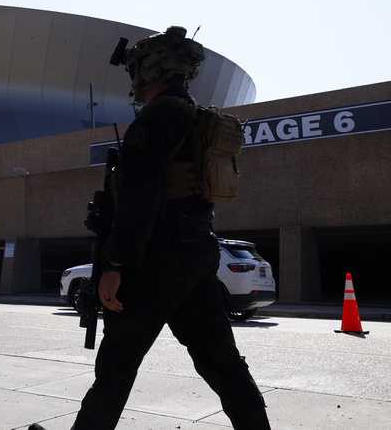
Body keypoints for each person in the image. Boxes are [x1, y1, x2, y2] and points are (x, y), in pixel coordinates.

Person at [33, 27, 269, 430]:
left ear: (153, 72)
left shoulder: (159, 117)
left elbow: (140, 197)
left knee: (117, 365)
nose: (134, 81)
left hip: (154, 260)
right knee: (220, 361)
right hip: (195, 253)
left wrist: (115, 264)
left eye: (138, 71)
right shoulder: (195, 117)